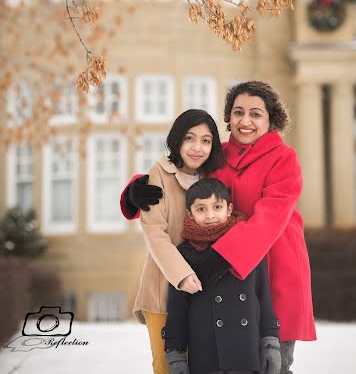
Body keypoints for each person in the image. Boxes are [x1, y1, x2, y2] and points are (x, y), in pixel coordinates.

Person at [121, 81, 317, 374]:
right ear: (228, 118)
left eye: (256, 113)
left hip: (275, 273)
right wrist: (136, 190)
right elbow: (179, 174)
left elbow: (267, 221)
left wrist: (216, 258)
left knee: (272, 364)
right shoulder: (218, 155)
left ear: (271, 119)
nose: (245, 121)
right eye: (238, 112)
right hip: (220, 281)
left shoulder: (284, 159)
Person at [132, 109, 224, 374]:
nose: (197, 147)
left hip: (202, 294)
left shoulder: (212, 180)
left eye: (206, 140)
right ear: (177, 140)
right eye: (189, 138)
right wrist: (181, 274)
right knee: (168, 368)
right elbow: (154, 232)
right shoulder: (159, 173)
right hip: (163, 290)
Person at [163, 177, 281, 374]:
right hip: (206, 355)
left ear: (229, 209)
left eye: (217, 207)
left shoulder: (249, 245)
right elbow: (177, 308)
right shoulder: (183, 254)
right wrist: (175, 354)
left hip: (245, 353)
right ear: (189, 215)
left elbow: (263, 296)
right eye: (201, 209)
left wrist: (270, 342)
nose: (210, 215)